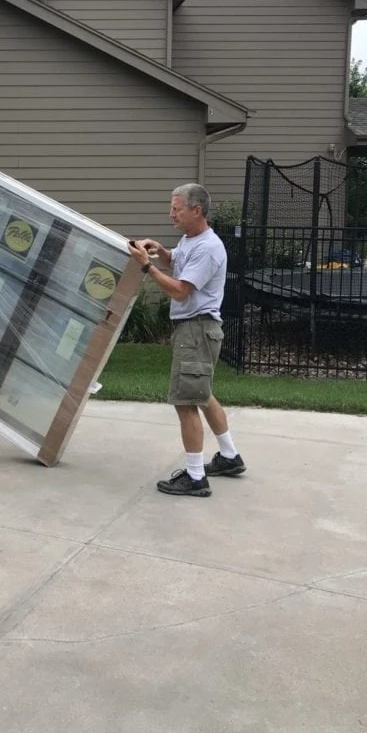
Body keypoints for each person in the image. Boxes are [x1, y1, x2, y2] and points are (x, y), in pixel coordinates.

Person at [128, 183, 246, 498]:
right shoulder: (191, 240)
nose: (171, 215)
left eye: (176, 210)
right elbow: (177, 262)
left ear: (196, 210)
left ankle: (195, 477)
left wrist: (146, 266)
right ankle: (230, 457)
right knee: (202, 394)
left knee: (186, 402)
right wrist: (162, 252)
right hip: (196, 330)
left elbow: (181, 290)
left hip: (196, 330)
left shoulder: (209, 247)